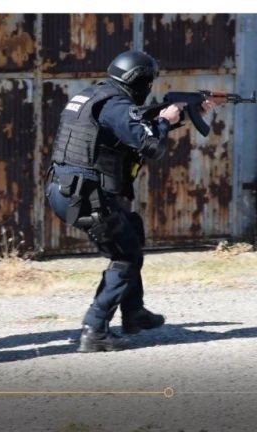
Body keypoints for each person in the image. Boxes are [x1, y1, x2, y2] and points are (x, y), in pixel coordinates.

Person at [45, 50, 214, 352]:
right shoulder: (115, 105)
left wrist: (182, 112)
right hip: (85, 195)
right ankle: (94, 329)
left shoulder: (94, 96)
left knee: (131, 229)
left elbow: (127, 127)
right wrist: (164, 121)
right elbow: (150, 144)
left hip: (66, 190)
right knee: (125, 255)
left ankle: (133, 312)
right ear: (140, 81)